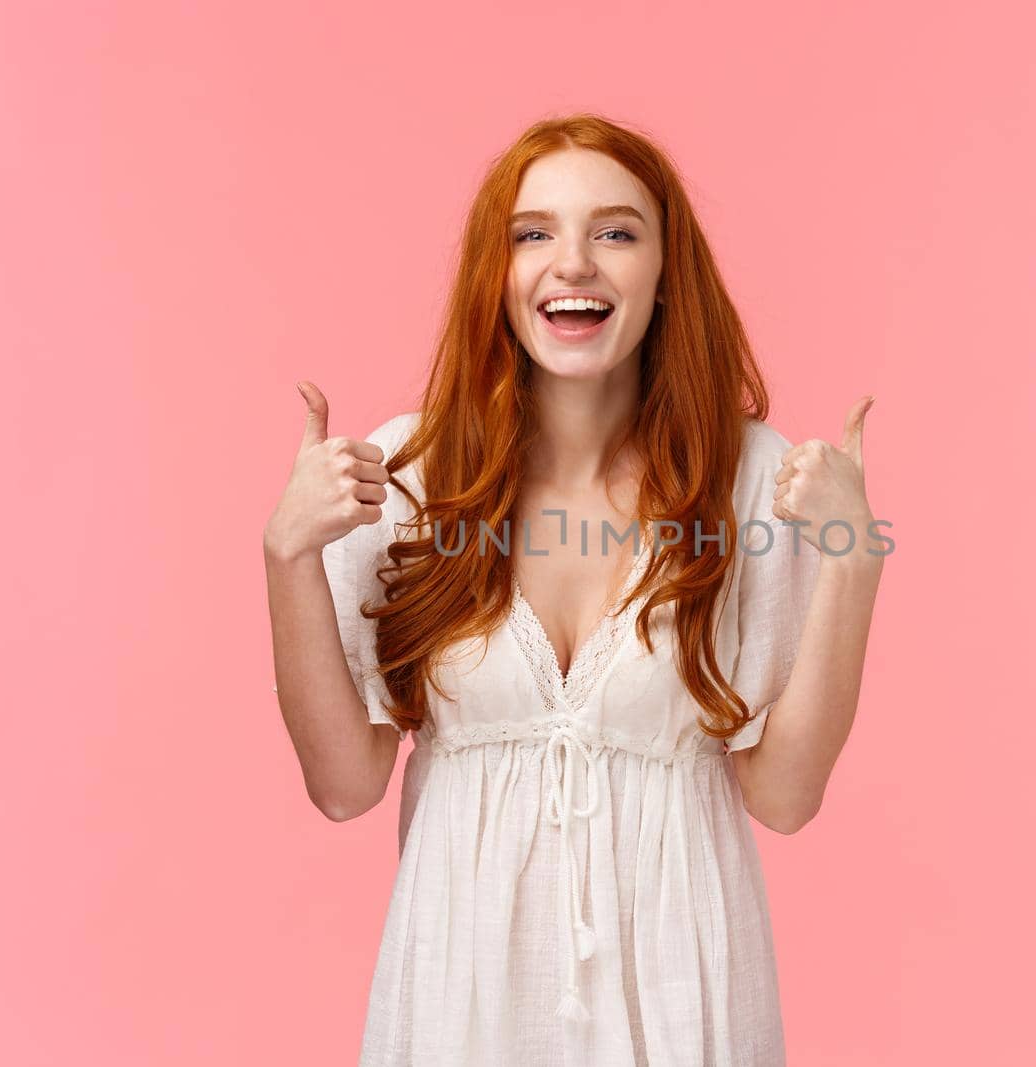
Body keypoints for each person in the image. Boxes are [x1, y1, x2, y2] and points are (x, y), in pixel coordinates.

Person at [263, 113, 886, 1067]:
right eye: (534, 232)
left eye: (616, 232)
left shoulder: (754, 481)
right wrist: (288, 556)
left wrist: (853, 560)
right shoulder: (407, 473)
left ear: (666, 275)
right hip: (458, 1005)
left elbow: (787, 796)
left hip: (683, 1002)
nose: (574, 263)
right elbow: (344, 784)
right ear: (496, 273)